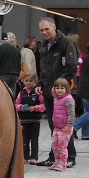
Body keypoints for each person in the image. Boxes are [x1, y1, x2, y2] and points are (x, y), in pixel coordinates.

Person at [35, 18, 80, 164]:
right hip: (49, 91)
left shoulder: (66, 43)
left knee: (64, 125)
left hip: (61, 93)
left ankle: (70, 157)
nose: (44, 32)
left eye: (46, 29)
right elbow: (44, 69)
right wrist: (40, 83)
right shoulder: (44, 46)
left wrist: (60, 86)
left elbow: (71, 66)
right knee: (54, 126)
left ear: (54, 27)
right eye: (42, 30)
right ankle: (54, 156)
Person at [15, 72, 44, 163]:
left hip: (35, 120)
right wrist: (21, 107)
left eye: (30, 81)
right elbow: (16, 104)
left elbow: (43, 105)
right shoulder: (21, 92)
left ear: (35, 81)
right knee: (24, 140)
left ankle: (34, 157)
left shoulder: (38, 93)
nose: (28, 83)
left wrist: (35, 108)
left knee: (34, 140)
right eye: (26, 81)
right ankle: (25, 156)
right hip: (23, 120)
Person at [48, 78, 74, 171]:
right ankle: (57, 161)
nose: (59, 90)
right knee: (55, 146)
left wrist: (69, 125)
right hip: (57, 127)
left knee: (62, 147)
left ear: (67, 89)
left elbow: (71, 114)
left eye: (62, 88)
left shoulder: (68, 100)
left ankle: (63, 163)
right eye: (57, 88)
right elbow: (53, 93)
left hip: (65, 128)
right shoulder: (56, 98)